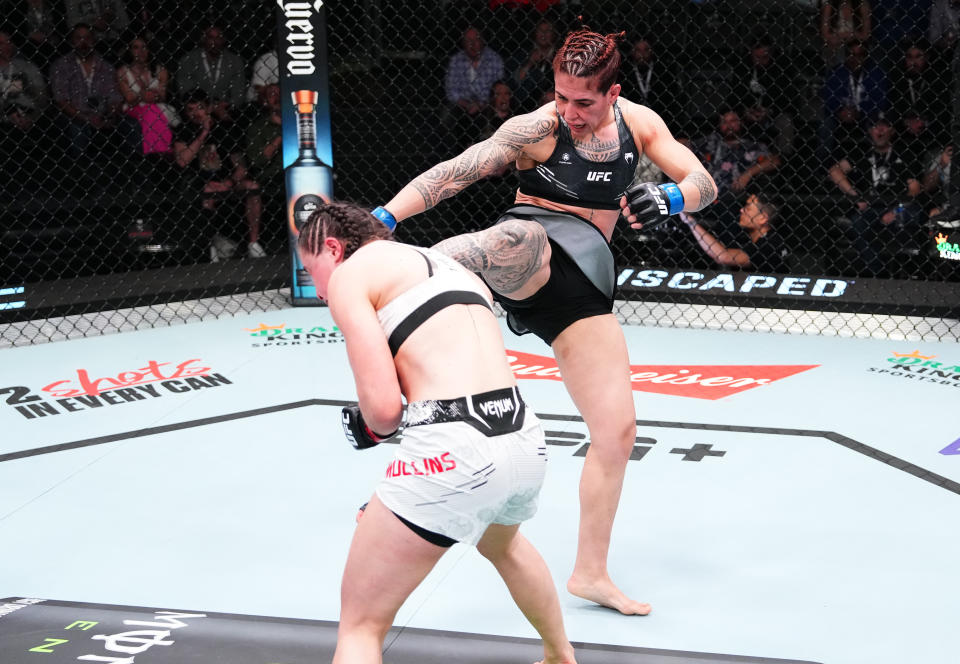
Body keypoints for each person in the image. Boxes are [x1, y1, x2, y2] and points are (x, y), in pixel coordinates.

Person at [369, 26, 717, 615]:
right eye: (561, 97)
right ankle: (408, 273)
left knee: (617, 430)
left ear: (613, 93)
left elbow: (703, 181)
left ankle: (590, 573)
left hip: (583, 280)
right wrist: (386, 217)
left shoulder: (640, 124)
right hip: (528, 251)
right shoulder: (538, 128)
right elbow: (455, 171)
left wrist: (672, 199)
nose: (569, 112)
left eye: (583, 101)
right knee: (507, 241)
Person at [297, 201, 576, 664]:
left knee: (361, 626)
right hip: (522, 435)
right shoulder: (445, 264)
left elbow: (386, 413)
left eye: (312, 273)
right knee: (504, 545)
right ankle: (558, 654)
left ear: (332, 248)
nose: (321, 291)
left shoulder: (352, 276)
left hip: (454, 448)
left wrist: (374, 429)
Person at [828, 111, 925, 274]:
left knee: (914, 215)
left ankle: (908, 271)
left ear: (892, 130)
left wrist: (897, 210)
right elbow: (834, 171)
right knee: (857, 222)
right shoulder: (861, 152)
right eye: (875, 126)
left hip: (899, 205)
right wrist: (855, 195)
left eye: (884, 126)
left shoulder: (905, 153)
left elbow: (914, 189)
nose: (879, 130)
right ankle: (876, 271)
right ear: (869, 131)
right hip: (871, 206)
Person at [173, 89, 264, 260]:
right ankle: (210, 246)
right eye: (190, 110)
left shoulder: (225, 128)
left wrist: (228, 182)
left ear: (208, 108)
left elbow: (241, 166)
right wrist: (203, 134)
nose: (195, 113)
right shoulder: (183, 130)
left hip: (228, 180)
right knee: (207, 190)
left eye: (199, 108)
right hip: (199, 182)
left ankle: (254, 243)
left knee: (253, 187)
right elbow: (182, 160)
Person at [678, 192, 789, 273]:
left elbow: (723, 256)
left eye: (748, 208)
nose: (742, 210)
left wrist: (690, 221)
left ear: (762, 218)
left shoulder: (770, 244)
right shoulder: (757, 239)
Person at [443, 25, 504, 150]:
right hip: (462, 105)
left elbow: (498, 89)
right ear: (462, 43)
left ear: (482, 41)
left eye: (475, 40)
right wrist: (465, 104)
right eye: (468, 41)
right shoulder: (456, 60)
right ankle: (452, 153)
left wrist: (481, 104)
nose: (472, 44)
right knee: (446, 115)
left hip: (487, 104)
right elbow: (451, 90)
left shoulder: (494, 59)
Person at [175, 24, 246, 125]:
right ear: (203, 39)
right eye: (210, 37)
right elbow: (186, 91)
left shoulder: (235, 61)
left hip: (226, 110)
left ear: (224, 40)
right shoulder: (188, 60)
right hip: (197, 111)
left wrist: (228, 106)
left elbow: (239, 93)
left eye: (218, 38)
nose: (215, 42)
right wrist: (210, 108)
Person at [117, 34, 175, 155]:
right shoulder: (122, 72)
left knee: (151, 109)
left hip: (155, 106)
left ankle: (154, 151)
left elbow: (162, 96)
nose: (141, 51)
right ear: (130, 50)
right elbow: (129, 99)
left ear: (149, 49)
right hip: (133, 108)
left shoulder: (160, 70)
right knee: (152, 110)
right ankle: (162, 150)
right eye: (136, 47)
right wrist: (142, 96)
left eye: (144, 47)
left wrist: (155, 96)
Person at [820, 0, 872, 68]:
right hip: (835, 46)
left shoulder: (862, 5)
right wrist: (852, 34)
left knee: (856, 50)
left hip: (855, 45)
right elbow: (825, 35)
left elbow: (865, 35)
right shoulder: (829, 6)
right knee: (835, 47)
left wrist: (839, 36)